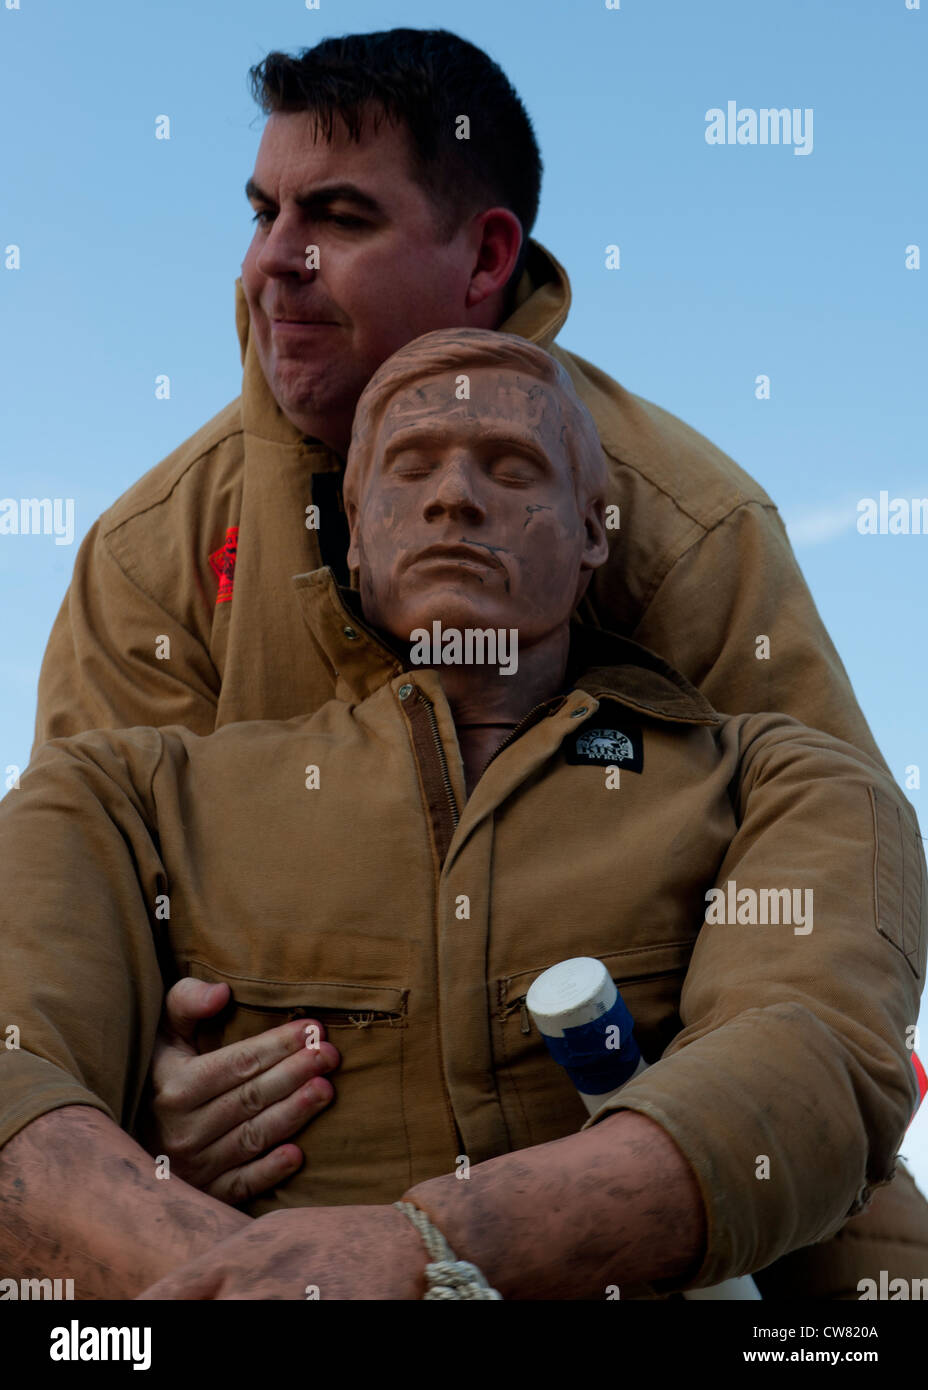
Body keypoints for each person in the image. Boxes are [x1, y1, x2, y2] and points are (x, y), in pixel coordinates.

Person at [25, 29, 928, 1294]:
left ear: (486, 255)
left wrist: (495, 1215)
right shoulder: (150, 552)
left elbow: (832, 937)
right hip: (260, 1176)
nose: (274, 262)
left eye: (336, 217)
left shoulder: (685, 525)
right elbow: (75, 928)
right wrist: (135, 1104)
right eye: (263, 211)